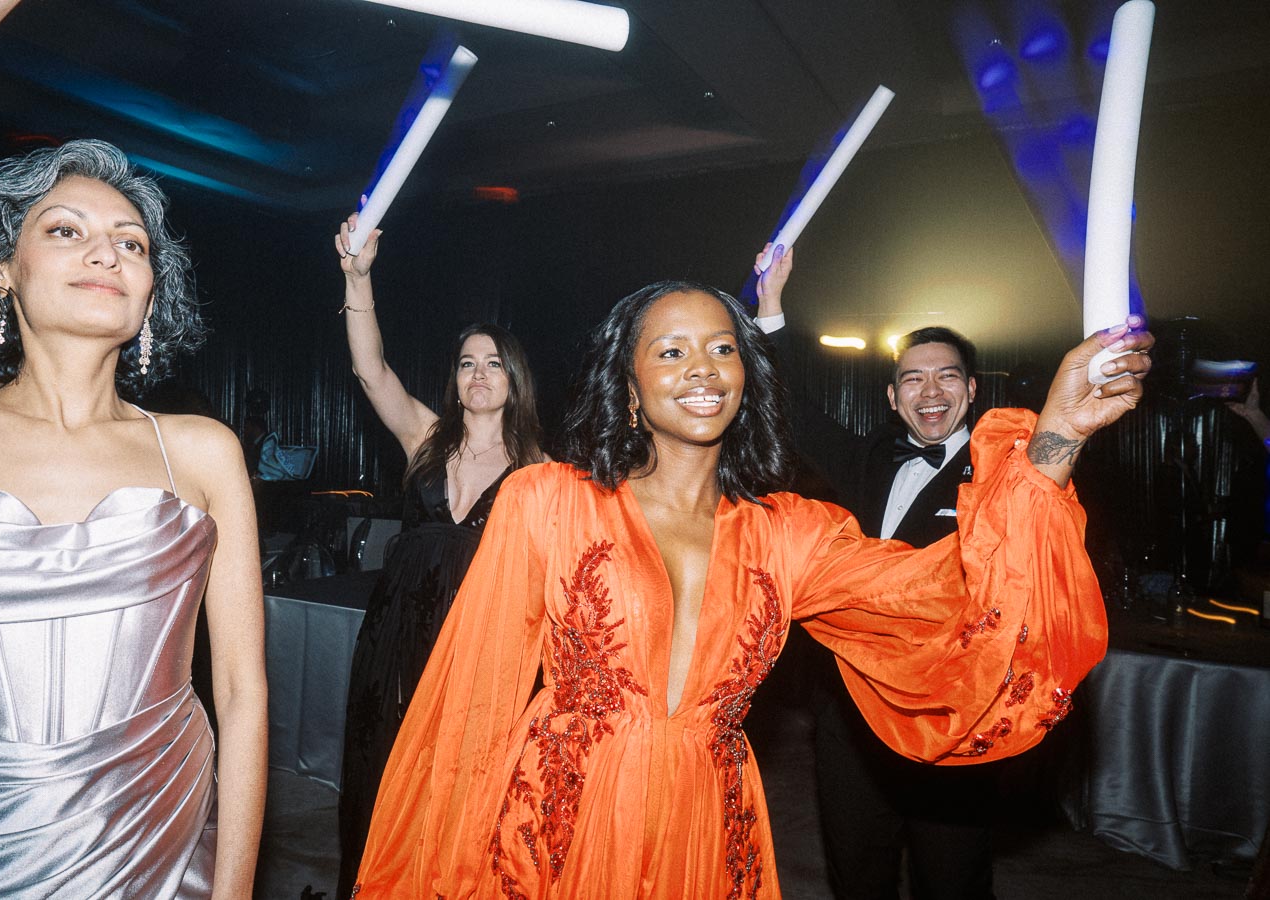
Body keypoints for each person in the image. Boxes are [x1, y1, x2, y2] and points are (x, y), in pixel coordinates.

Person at [348, 274, 1153, 898]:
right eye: (670, 352)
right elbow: (469, 707)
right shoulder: (548, 500)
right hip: (561, 822)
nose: (702, 367)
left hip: (708, 820)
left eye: (722, 348)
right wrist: (433, 860)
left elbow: (949, 597)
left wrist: (1056, 437)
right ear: (628, 388)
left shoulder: (790, 532)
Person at [0, 21, 267, 892]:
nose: (106, 250)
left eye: (131, 242)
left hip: (163, 848)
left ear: (150, 296)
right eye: (66, 230)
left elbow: (242, 694)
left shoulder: (200, 451)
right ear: (1, 268)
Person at [754, 245, 1000, 899]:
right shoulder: (867, 460)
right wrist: (772, 306)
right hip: (851, 714)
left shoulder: (1002, 478)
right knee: (857, 870)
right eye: (914, 380)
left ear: (971, 391)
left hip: (948, 713)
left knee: (952, 878)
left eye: (947, 377)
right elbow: (790, 410)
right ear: (892, 397)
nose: (931, 391)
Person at [333, 215, 546, 899]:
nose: (478, 374)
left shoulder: (542, 468)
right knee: (385, 767)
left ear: (513, 377)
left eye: (492, 363)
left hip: (480, 646)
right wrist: (357, 278)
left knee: (461, 781)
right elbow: (370, 371)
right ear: (454, 380)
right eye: (466, 363)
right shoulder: (424, 433)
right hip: (396, 636)